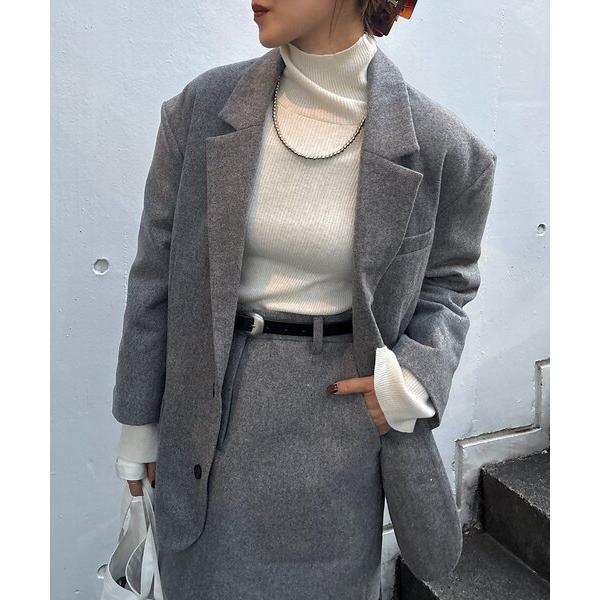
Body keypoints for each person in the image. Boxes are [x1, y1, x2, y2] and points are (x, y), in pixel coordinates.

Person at [110, 1, 497, 598]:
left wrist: (415, 378)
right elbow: (155, 272)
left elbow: (449, 283)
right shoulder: (202, 109)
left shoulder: (442, 147)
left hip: (340, 426)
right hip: (208, 417)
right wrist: (138, 425)